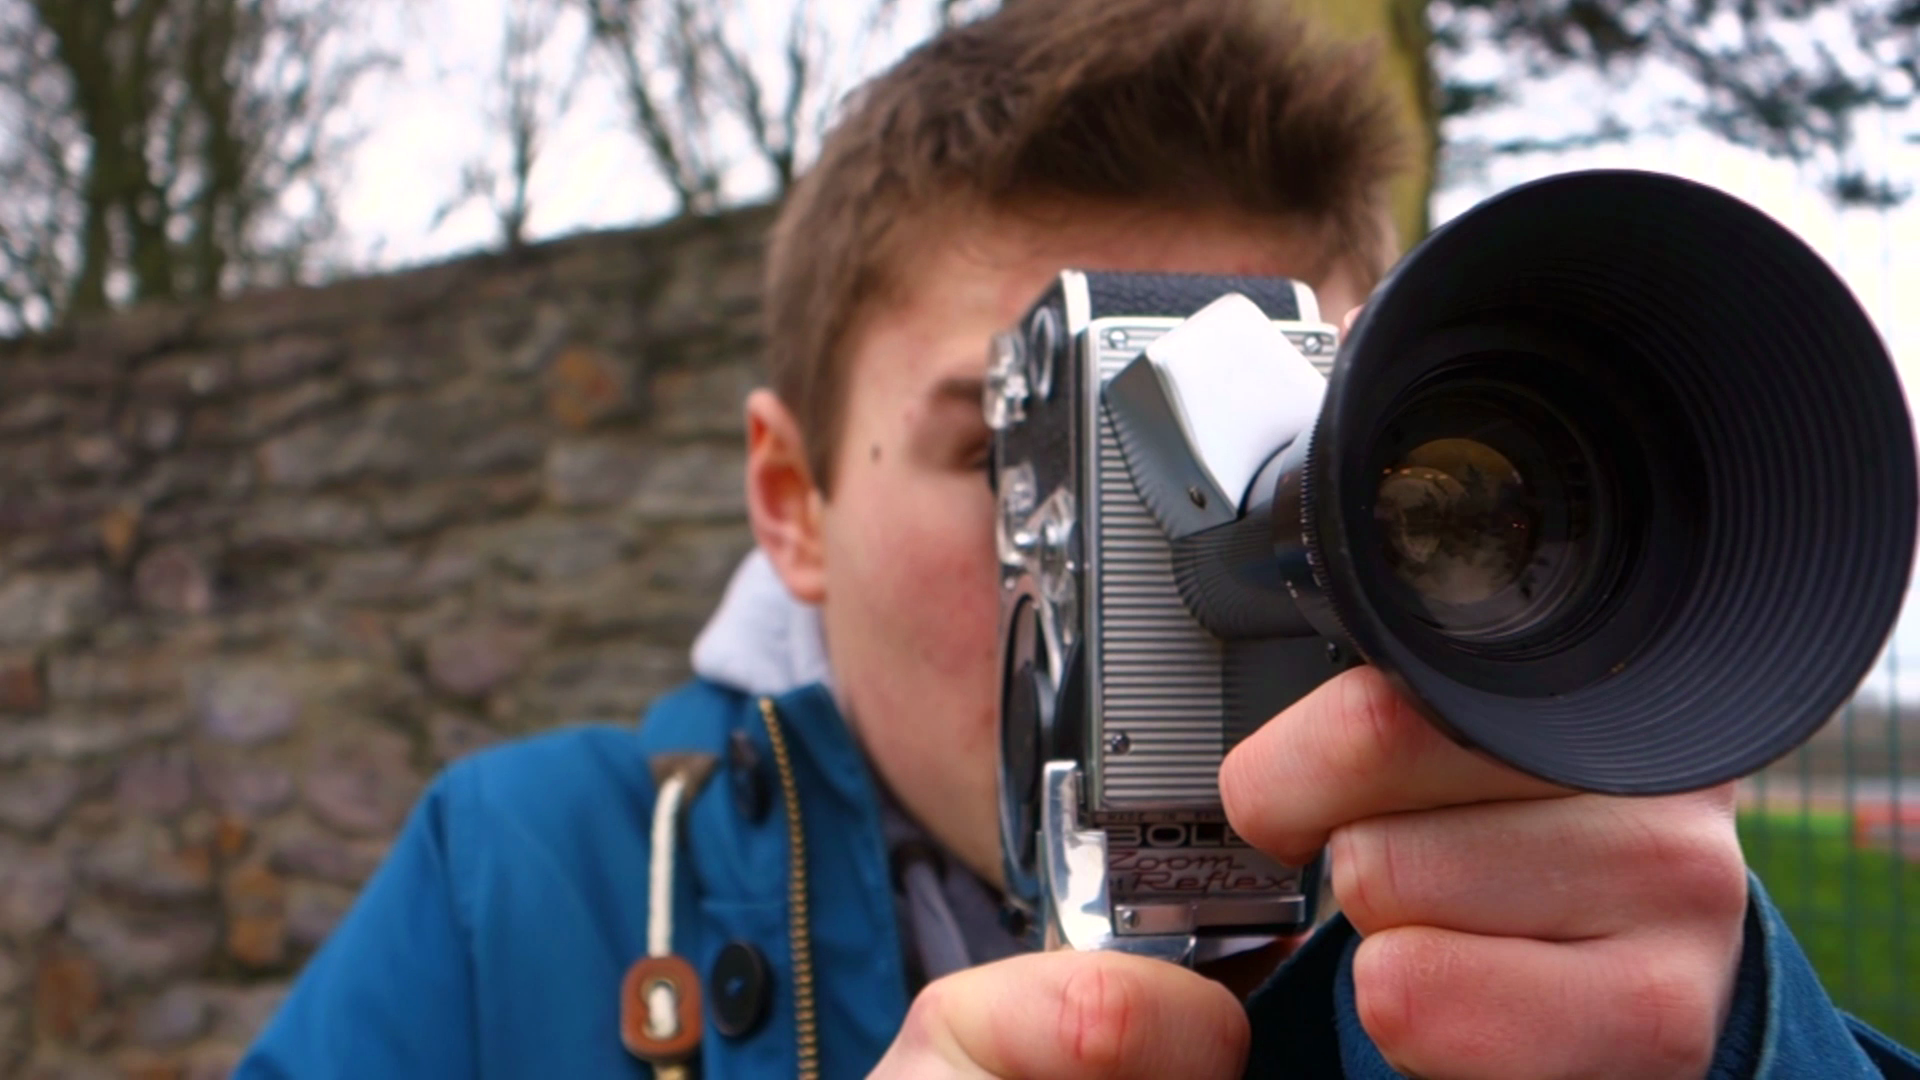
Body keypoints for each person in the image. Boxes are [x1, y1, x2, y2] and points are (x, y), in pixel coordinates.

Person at [237, 1, 1920, 1077]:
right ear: (789, 500)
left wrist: (1746, 1051)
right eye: (1023, 454)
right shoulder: (522, 886)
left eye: (1278, 454)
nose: (1145, 586)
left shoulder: (1536, 972)